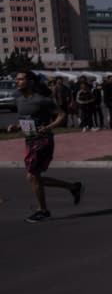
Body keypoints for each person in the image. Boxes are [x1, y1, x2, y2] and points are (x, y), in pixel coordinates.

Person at [7, 71, 85, 223]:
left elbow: (62, 115)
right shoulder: (19, 99)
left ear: (30, 82)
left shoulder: (42, 100)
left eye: (21, 79)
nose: (17, 82)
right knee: (33, 178)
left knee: (32, 176)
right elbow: (27, 120)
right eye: (16, 79)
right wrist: (16, 127)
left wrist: (49, 126)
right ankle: (73, 187)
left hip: (42, 141)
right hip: (29, 140)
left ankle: (43, 210)